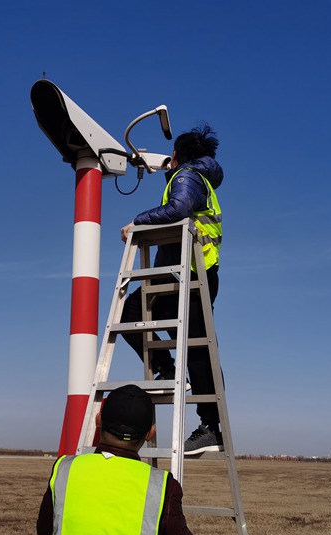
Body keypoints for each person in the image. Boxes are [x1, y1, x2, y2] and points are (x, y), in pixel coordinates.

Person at [119, 123, 224, 455]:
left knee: (133, 315)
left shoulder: (187, 177)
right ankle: (172, 374)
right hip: (195, 275)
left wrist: (138, 222)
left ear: (177, 156)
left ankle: (208, 423)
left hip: (187, 275)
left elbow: (178, 208)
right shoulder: (197, 178)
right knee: (195, 346)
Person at [36, 384, 195, 535]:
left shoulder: (64, 469)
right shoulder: (162, 485)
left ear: (98, 420)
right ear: (150, 433)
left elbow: (46, 534)